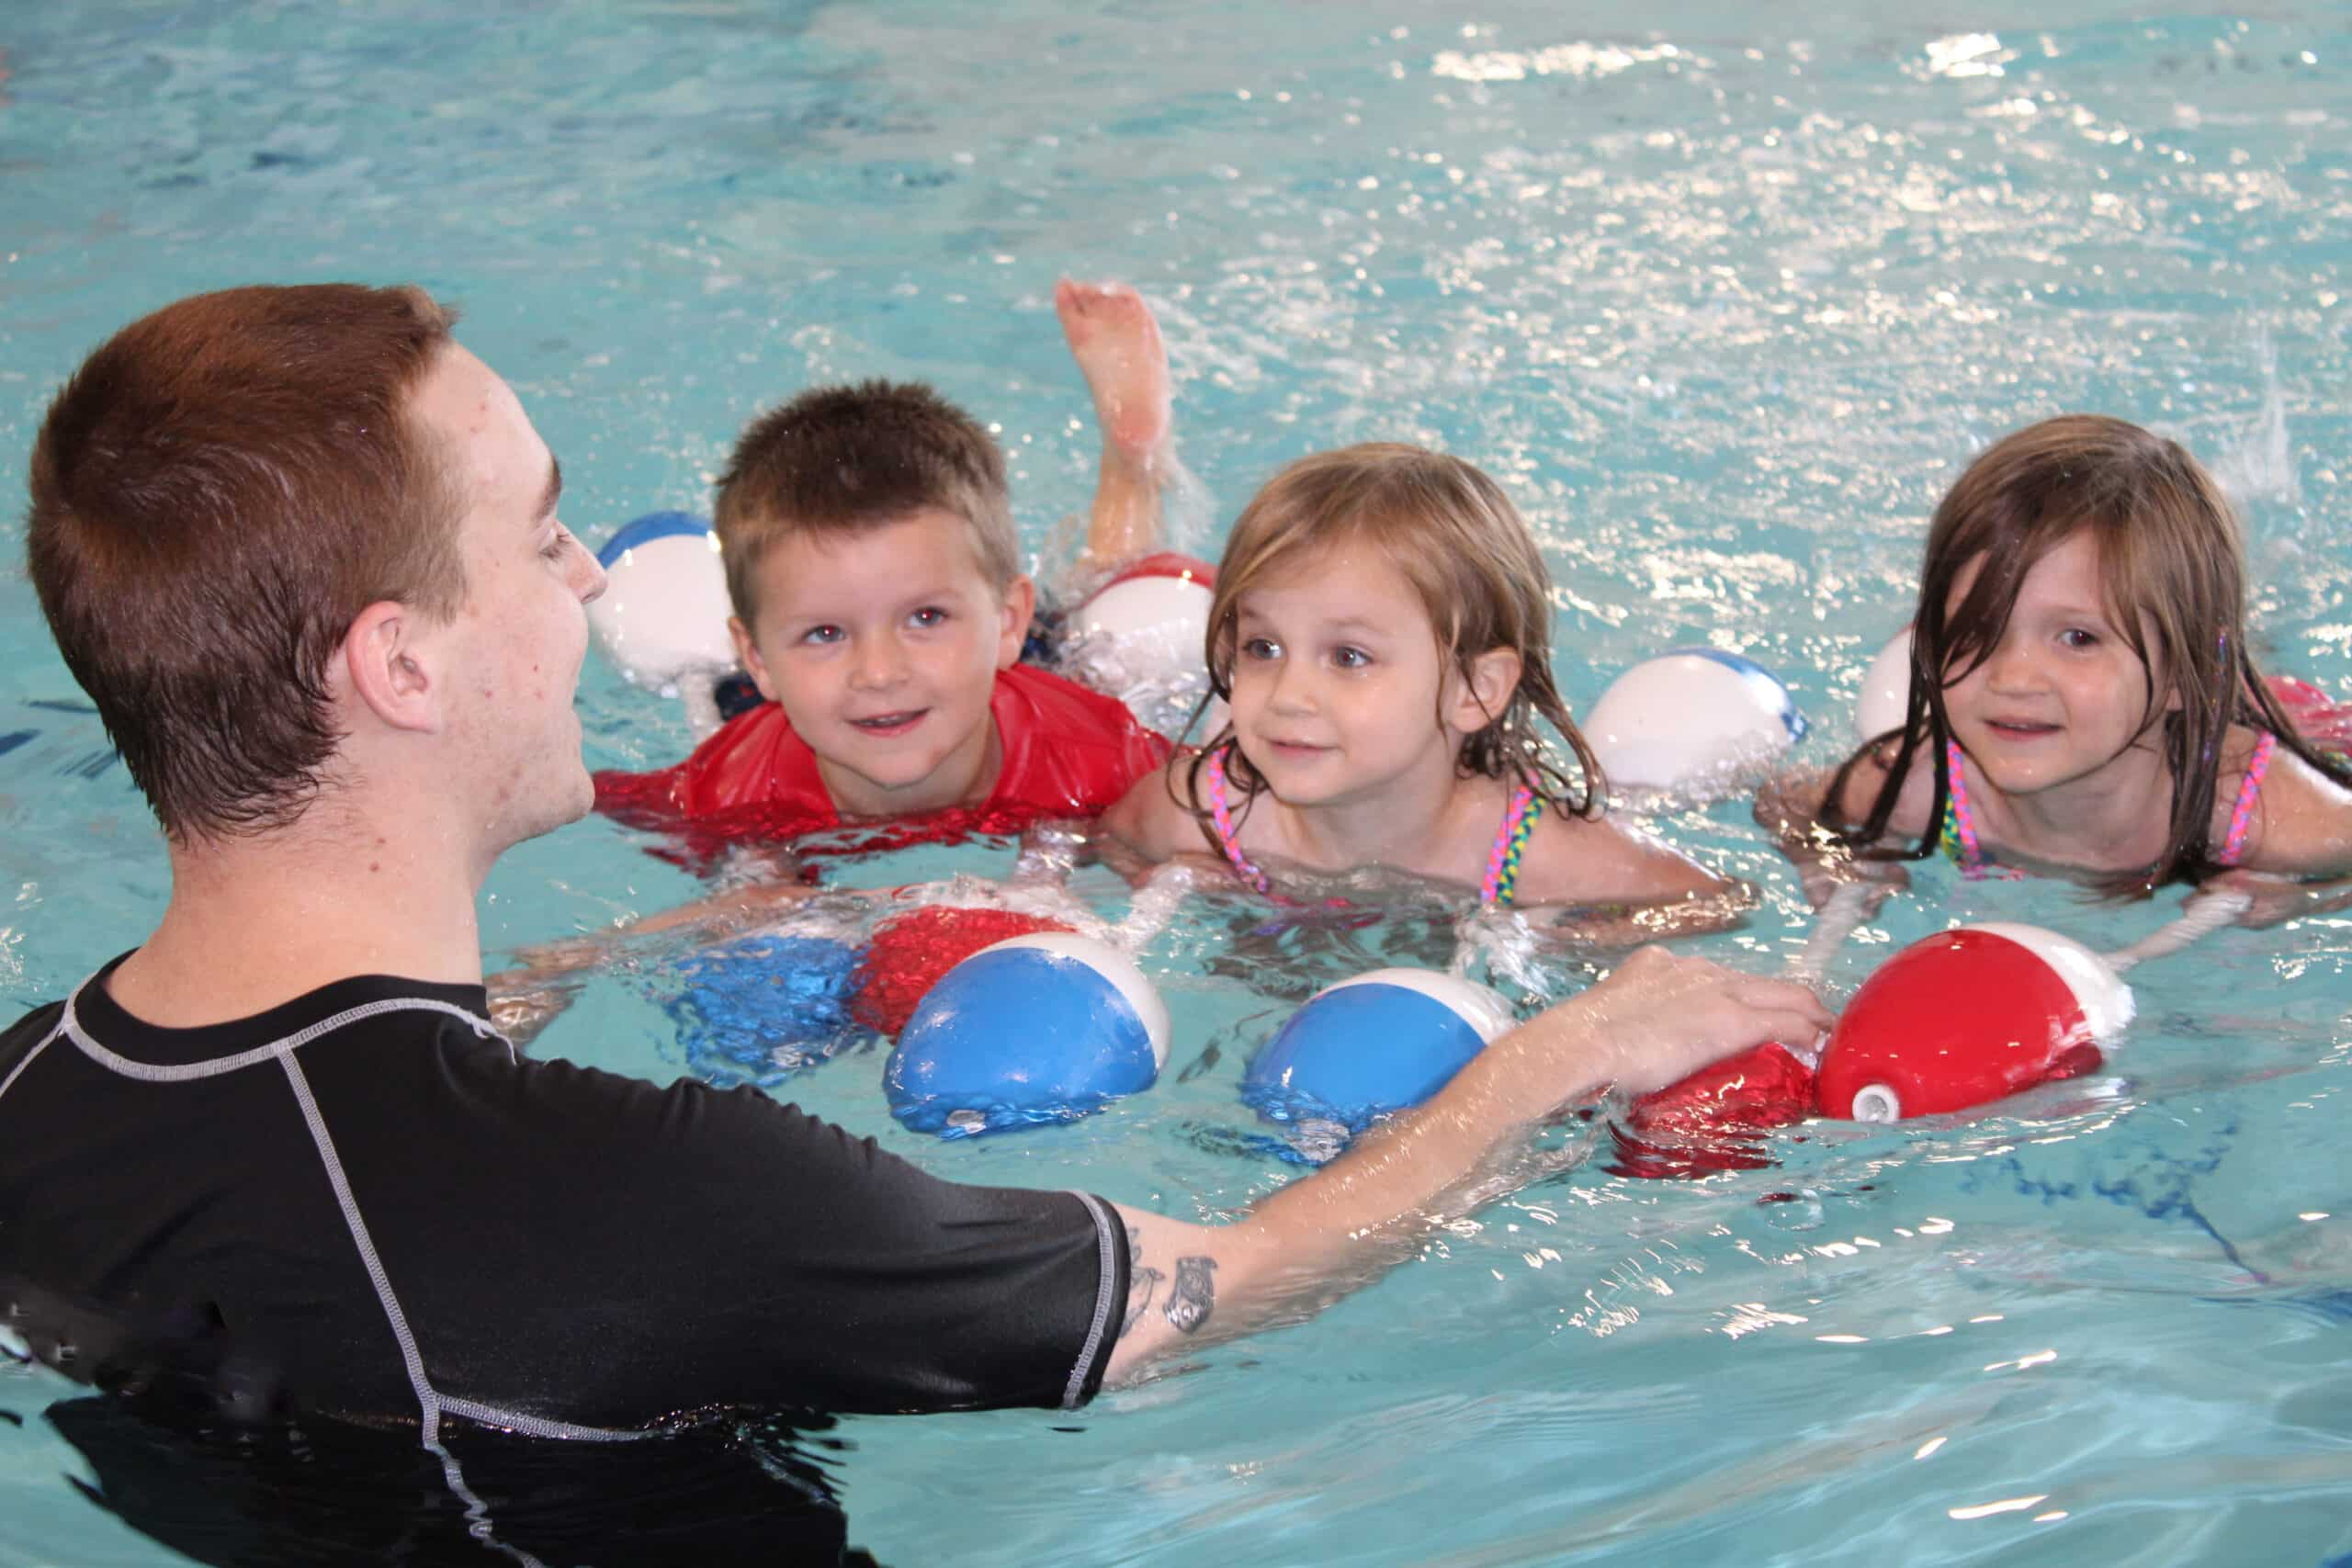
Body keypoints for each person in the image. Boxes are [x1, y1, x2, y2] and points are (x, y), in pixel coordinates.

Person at [0, 284, 1826, 1557]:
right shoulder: (639, 1187)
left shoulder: (29, 1096)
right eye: (546, 532)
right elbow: (1230, 1287)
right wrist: (1562, 1054)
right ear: (398, 661)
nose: (586, 583)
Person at [593, 279, 1184, 853]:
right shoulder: (735, 788)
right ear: (758, 661)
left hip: (1025, 689)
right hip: (796, 715)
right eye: (825, 633)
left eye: (925, 617)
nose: (878, 672)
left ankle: (1133, 465)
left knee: (1110, 617)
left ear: (1009, 623)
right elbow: (602, 803)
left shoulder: (1100, 755)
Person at [1102, 443, 1752, 936]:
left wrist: (1565, 941)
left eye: (1348, 656)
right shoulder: (1204, 816)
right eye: (1263, 648)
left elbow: (1718, 902)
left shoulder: (1531, 850)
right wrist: (1164, 878)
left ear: (1473, 688)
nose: (1288, 694)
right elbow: (1106, 838)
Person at [1756, 413, 2352, 925]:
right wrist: (1831, 860)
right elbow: (1786, 803)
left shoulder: (2254, 811)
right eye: (1979, 627)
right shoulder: (1918, 786)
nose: (2013, 677)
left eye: (2078, 638)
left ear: (2181, 675)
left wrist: (2311, 896)